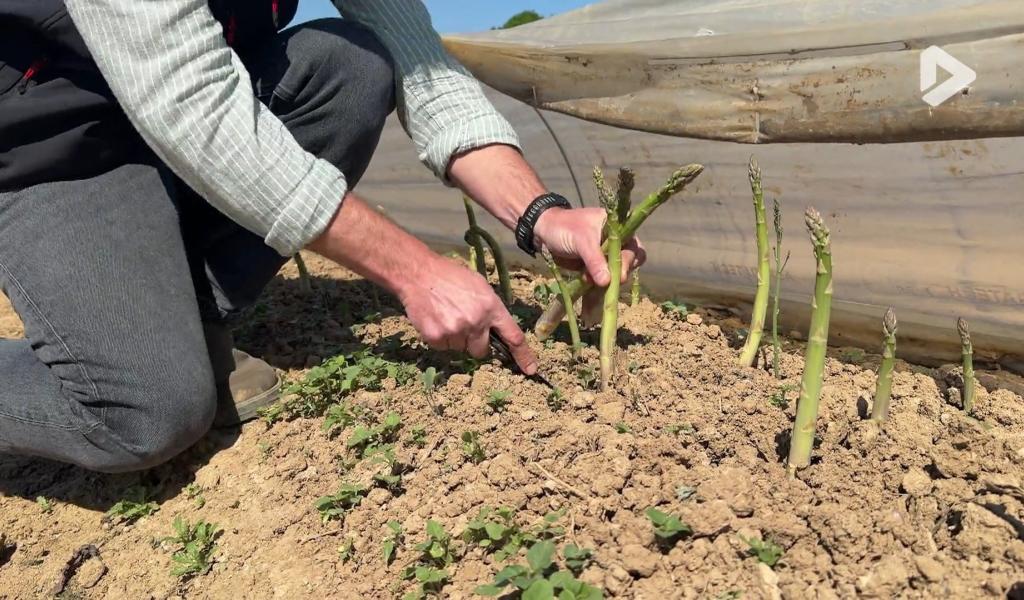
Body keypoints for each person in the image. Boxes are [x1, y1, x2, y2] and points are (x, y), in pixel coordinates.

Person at [0, 0, 643, 473]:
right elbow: (190, 105)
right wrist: (417, 273)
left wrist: (540, 214)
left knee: (351, 63)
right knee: (146, 415)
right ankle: (147, 362)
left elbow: (417, 58)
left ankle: (183, 323)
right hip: (53, 143)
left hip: (182, 106)